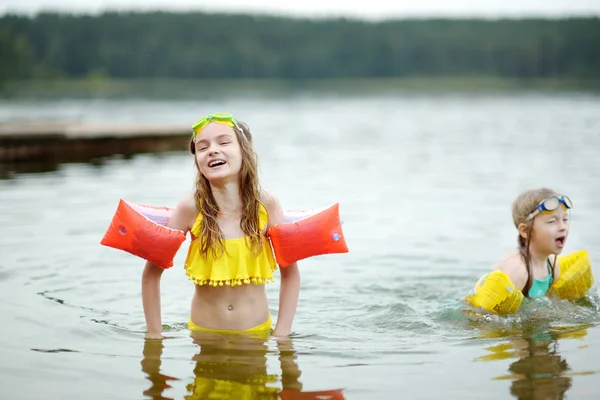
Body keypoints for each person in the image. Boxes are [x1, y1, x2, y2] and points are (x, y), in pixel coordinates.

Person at [142, 113, 300, 339]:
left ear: (244, 151)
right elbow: (151, 273)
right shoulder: (190, 208)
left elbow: (291, 274)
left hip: (255, 336)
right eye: (202, 147)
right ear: (197, 160)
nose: (213, 150)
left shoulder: (266, 205)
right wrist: (154, 335)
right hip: (204, 336)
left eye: (224, 142)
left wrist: (282, 335)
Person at [492, 187, 572, 299]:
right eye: (552, 221)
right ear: (525, 231)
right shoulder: (517, 272)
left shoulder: (552, 266)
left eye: (565, 220)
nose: (563, 227)